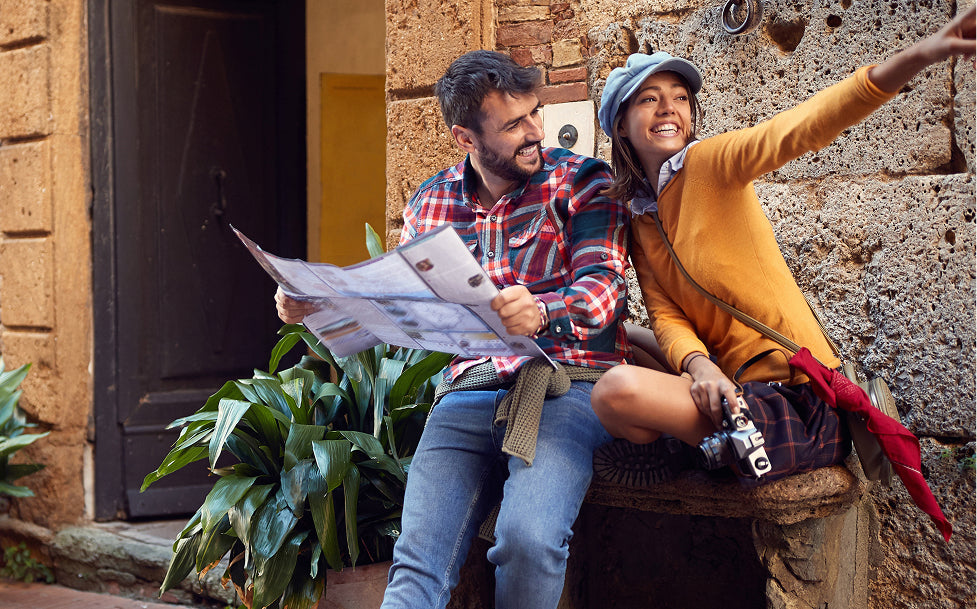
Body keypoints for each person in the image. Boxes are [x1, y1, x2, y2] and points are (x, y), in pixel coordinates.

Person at [277, 50, 631, 608]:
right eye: (513, 124)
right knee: (417, 559)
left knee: (529, 541)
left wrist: (543, 312)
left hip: (567, 385)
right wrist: (317, 310)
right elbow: (396, 309)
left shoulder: (583, 181)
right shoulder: (431, 201)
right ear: (466, 137)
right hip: (467, 393)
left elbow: (606, 288)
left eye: (534, 113)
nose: (534, 131)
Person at [589, 8, 976, 484]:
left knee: (614, 392)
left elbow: (801, 127)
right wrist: (701, 368)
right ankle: (707, 444)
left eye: (680, 97)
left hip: (797, 396)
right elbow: (666, 315)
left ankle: (702, 448)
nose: (669, 107)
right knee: (623, 339)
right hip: (733, 386)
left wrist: (920, 54)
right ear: (621, 127)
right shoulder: (640, 220)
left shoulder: (710, 163)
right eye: (648, 99)